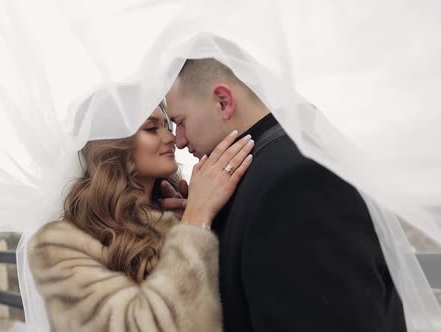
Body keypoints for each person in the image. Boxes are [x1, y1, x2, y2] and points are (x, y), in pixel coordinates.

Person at [163, 58, 407, 332]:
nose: (180, 140)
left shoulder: (299, 183)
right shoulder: (261, 173)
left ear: (223, 102)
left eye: (180, 122)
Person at [28, 101, 255, 331]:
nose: (172, 139)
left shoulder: (175, 215)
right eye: (151, 128)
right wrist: (195, 223)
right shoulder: (61, 244)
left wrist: (197, 224)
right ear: (114, 145)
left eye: (168, 126)